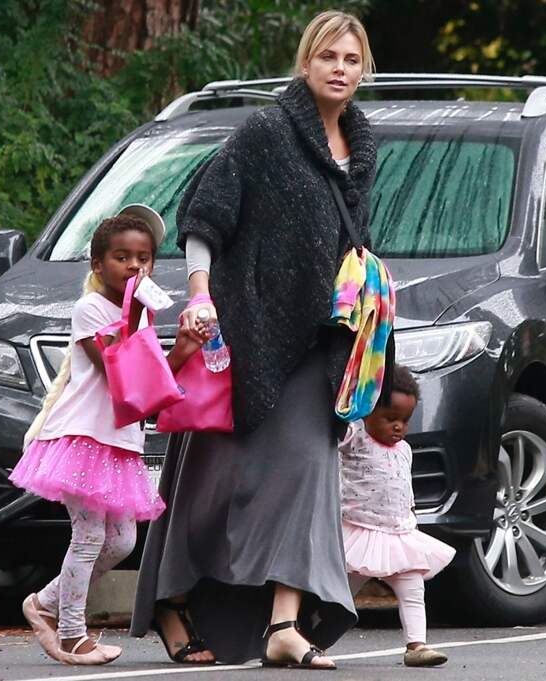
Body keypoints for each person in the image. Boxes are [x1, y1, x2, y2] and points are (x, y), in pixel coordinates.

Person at [131, 10, 383, 669]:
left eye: (350, 60)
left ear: (363, 70)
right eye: (328, 56)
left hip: (323, 339)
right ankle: (172, 599)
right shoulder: (266, 132)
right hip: (242, 332)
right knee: (213, 482)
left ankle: (283, 624)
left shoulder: (363, 147)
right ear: (306, 62)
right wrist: (200, 294)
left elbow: (347, 242)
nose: (339, 69)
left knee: (307, 470)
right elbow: (205, 217)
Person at [10, 207, 205, 666]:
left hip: (117, 443)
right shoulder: (91, 309)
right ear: (98, 265)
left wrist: (181, 352)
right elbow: (117, 371)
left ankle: (44, 603)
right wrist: (135, 312)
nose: (134, 266)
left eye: (143, 258)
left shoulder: (140, 317)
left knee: (121, 541)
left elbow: (145, 392)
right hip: (82, 438)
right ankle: (72, 634)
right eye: (122, 257)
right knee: (89, 535)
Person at [340, 364, 455, 667]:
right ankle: (312, 638)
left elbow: (405, 487)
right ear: (368, 412)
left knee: (413, 587)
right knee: (341, 592)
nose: (398, 427)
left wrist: (411, 516)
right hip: (360, 530)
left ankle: (417, 645)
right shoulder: (355, 437)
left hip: (399, 533)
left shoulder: (404, 449)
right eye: (390, 418)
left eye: (405, 420)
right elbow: (336, 430)